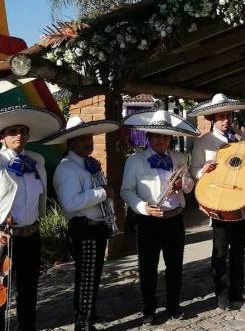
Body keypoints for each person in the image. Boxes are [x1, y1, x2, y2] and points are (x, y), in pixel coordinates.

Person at [120, 109, 199, 325]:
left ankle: (174, 305)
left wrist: (182, 184)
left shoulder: (180, 158)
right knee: (148, 268)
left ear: (170, 138)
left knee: (175, 266)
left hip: (174, 219)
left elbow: (190, 188)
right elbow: (126, 191)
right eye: (156, 136)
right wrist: (143, 208)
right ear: (149, 137)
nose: (161, 140)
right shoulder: (135, 161)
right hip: (149, 221)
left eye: (165, 136)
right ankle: (149, 308)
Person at [45, 116, 120, 331]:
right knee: (87, 278)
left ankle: (90, 315)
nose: (88, 142)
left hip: (96, 227)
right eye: (82, 139)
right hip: (83, 228)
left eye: (89, 137)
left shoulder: (89, 164)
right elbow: (71, 203)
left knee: (93, 277)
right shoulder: (67, 168)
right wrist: (102, 192)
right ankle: (83, 323)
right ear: (70, 142)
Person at [189, 93, 245, 311]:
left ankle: (238, 290)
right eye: (220, 117)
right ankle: (222, 294)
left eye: (227, 116)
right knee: (220, 251)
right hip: (218, 201)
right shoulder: (203, 142)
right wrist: (203, 170)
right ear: (212, 119)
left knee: (239, 249)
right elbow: (193, 171)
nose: (225, 120)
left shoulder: (239, 139)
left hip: (239, 201)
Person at [0, 105, 62, 331]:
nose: (18, 135)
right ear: (2, 137)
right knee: (1, 292)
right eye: (12, 131)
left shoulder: (36, 162)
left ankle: (28, 327)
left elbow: (40, 196)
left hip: (31, 235)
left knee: (29, 288)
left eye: (22, 131)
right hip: (4, 239)